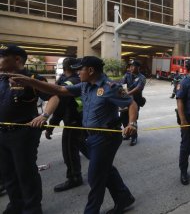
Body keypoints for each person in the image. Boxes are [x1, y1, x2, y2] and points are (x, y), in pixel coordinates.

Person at [10, 56, 138, 214]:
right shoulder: (84, 84)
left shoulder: (110, 87)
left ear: (90, 70)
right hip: (89, 135)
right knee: (104, 168)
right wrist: (30, 82)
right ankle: (124, 197)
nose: (78, 72)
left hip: (106, 138)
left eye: (80, 69)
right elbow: (59, 90)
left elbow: (132, 104)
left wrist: (132, 124)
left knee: (95, 177)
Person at [0, 44, 51, 214]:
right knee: (8, 172)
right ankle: (16, 204)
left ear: (17, 59)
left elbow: (54, 96)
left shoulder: (33, 78)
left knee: (25, 172)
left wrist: (44, 116)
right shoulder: (2, 78)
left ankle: (32, 208)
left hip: (23, 133)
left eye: (2, 57)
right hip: (2, 132)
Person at [39, 57, 88, 192]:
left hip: (73, 121)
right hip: (78, 119)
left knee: (69, 150)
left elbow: (60, 106)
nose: (79, 70)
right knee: (84, 146)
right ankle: (102, 165)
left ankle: (74, 177)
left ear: (65, 68)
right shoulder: (66, 79)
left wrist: (51, 125)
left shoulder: (71, 82)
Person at [120, 60, 146, 146]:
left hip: (135, 101)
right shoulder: (127, 75)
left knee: (133, 120)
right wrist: (123, 93)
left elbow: (138, 88)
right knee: (123, 118)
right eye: (130, 66)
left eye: (133, 66)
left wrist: (128, 93)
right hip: (126, 100)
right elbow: (123, 85)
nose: (131, 67)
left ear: (138, 67)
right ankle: (127, 134)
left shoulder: (142, 77)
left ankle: (134, 136)